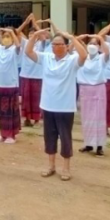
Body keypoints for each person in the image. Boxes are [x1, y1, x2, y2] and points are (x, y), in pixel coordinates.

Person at [25, 27, 87, 181]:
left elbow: (84, 55)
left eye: (59, 44)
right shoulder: (47, 58)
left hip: (65, 106)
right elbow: (28, 52)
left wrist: (72, 38)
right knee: (49, 137)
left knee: (65, 137)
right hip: (48, 104)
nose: (55, 47)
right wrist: (35, 37)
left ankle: (66, 168)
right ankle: (51, 165)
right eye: (53, 44)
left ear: (66, 46)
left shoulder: (72, 60)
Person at [77, 34, 110, 156]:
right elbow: (69, 49)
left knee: (99, 117)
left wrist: (100, 38)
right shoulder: (82, 57)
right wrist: (78, 39)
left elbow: (107, 52)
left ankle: (100, 145)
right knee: (87, 118)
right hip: (85, 90)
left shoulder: (101, 58)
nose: (92, 45)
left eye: (95, 44)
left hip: (98, 89)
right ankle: (88, 144)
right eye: (90, 43)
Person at [17, 14, 45, 127]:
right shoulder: (25, 43)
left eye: (33, 34)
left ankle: (37, 118)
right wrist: (26, 22)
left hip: (38, 75)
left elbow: (43, 37)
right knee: (26, 98)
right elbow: (16, 32)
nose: (31, 36)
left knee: (36, 98)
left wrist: (35, 24)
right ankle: (27, 118)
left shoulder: (40, 44)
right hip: (26, 74)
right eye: (30, 34)